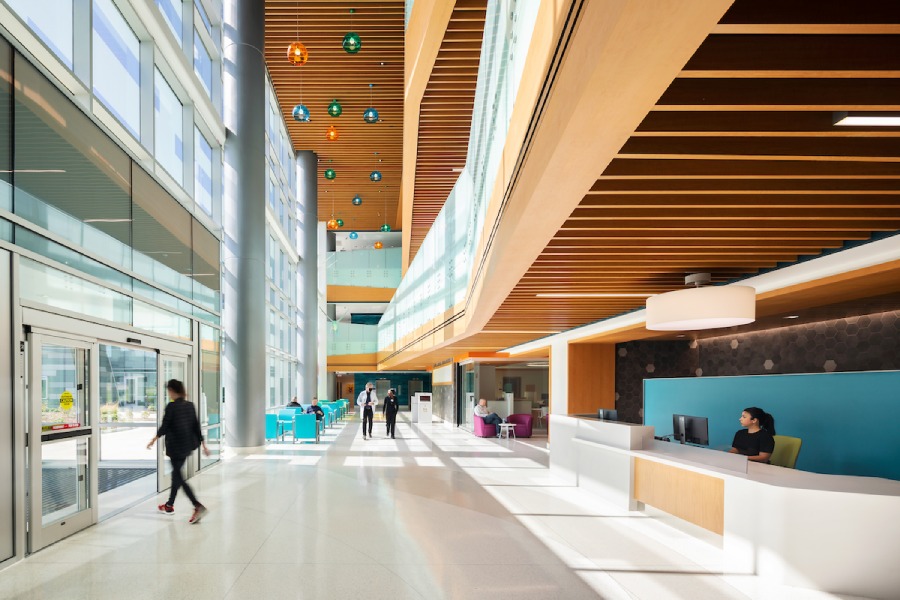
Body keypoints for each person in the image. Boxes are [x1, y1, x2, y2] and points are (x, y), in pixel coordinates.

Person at [147, 379, 210, 524]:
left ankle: (197, 505)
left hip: (175, 448)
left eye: (169, 390)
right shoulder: (190, 406)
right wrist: (204, 444)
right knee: (176, 476)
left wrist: (154, 439)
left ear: (172, 391)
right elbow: (196, 426)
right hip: (187, 446)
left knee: (179, 477)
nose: (168, 393)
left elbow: (165, 426)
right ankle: (169, 505)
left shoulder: (172, 407)